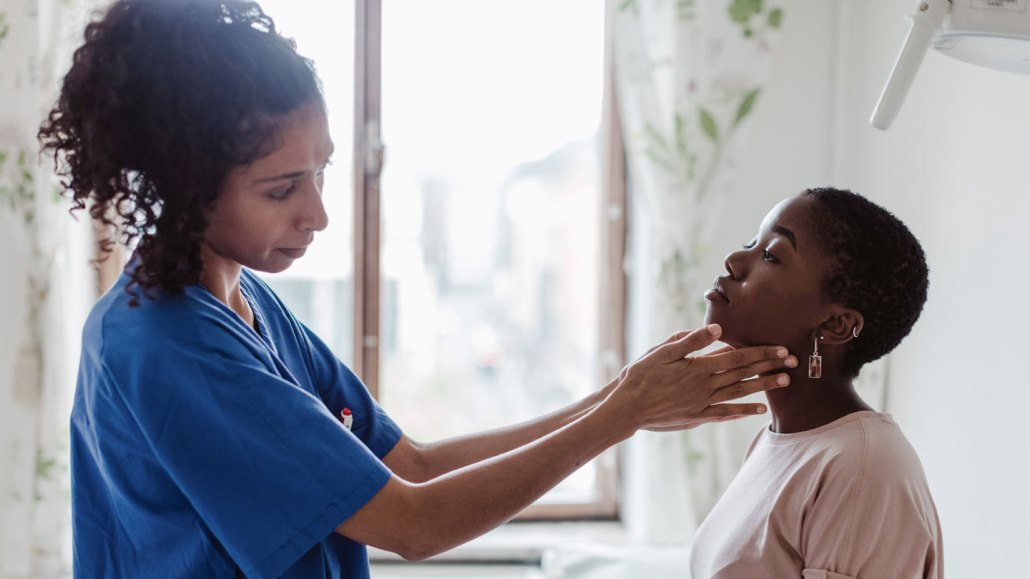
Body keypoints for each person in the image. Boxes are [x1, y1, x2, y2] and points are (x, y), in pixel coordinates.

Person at [38, 1, 798, 577]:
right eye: (281, 189)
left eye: (323, 170)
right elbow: (414, 521)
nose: (319, 213)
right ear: (185, 185)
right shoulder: (166, 342)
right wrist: (623, 411)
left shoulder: (244, 300)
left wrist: (622, 404)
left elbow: (414, 463)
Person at [689, 187, 943, 578]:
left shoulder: (862, 467)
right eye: (751, 244)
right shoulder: (777, 441)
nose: (735, 261)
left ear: (835, 325)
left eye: (771, 255)